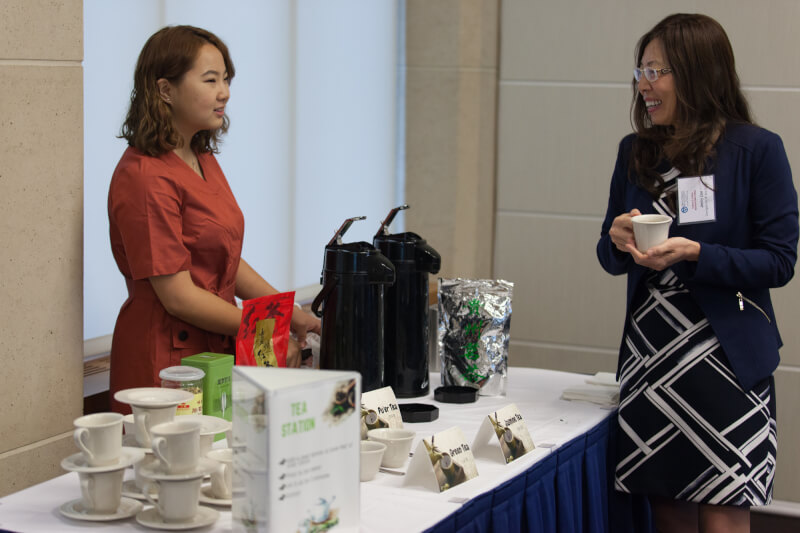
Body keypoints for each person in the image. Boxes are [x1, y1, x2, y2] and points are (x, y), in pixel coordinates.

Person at [596, 14, 798, 533]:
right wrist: (618, 240)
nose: (644, 84)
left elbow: (779, 260)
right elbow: (608, 252)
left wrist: (697, 254)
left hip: (726, 363)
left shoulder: (756, 150)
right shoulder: (634, 152)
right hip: (652, 361)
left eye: (657, 70)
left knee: (725, 514)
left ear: (697, 73)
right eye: (641, 69)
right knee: (667, 513)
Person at [108, 25, 320, 412]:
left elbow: (222, 258)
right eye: (210, 80)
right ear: (164, 90)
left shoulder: (201, 157)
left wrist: (287, 313)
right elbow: (179, 296)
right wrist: (267, 329)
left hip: (213, 348)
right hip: (166, 359)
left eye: (226, 79)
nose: (224, 92)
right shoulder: (145, 176)